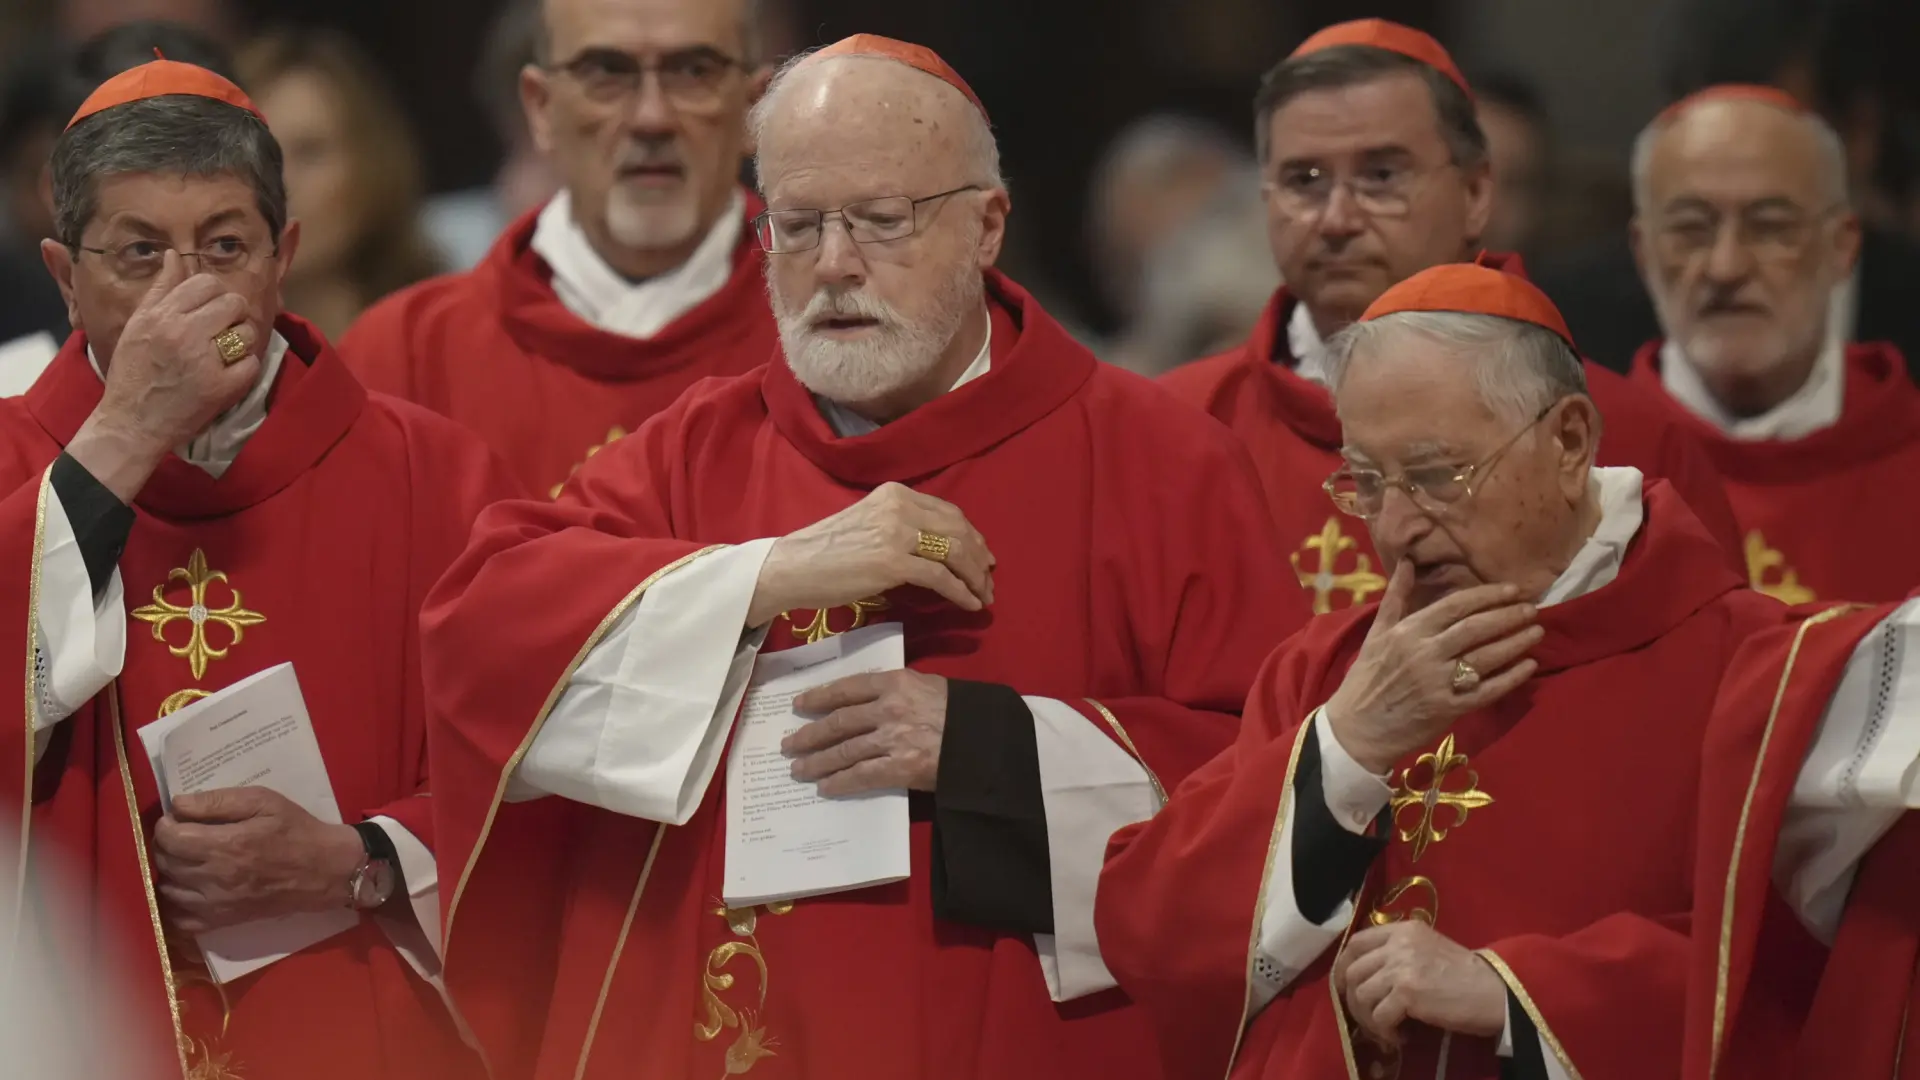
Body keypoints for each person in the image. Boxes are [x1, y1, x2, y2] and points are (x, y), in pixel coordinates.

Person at [420, 34, 1288, 1080]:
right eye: (796, 225)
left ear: (987, 227)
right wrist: (767, 575)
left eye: (882, 220)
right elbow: (478, 632)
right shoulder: (699, 449)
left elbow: (1265, 790)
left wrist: (988, 747)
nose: (833, 264)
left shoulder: (1161, 460)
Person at [1100, 262, 1783, 1080]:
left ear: (1568, 440)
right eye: (1366, 482)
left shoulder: (1743, 669)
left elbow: (1795, 980)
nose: (1396, 529)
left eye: (1434, 477)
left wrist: (1515, 995)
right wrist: (1349, 747)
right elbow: (1163, 946)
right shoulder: (1330, 674)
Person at [0, 58, 516, 1078]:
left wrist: (359, 858)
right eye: (138, 253)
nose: (184, 294)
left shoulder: (438, 477)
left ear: (283, 256)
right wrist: (128, 432)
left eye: (223, 247)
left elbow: (535, 780)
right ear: (64, 277)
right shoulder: (11, 462)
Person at [1158, 17, 1741, 627]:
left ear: (1476, 193)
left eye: (1381, 176)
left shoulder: (1623, 432)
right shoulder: (1180, 428)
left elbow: (1707, 683)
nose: (1335, 218)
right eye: (1304, 180)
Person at [341, 0, 779, 498]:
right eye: (607, 73)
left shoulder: (832, 331)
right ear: (541, 109)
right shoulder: (404, 358)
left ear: (753, 109)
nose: (652, 117)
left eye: (694, 71)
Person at [1627, 85, 1920, 605]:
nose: (1726, 267)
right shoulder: (1583, 466)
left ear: (1842, 247)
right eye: (1690, 229)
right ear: (1644, 251)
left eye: (1770, 228)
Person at [1533, 0, 1920, 376]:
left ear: (1859, 134)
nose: (1726, 267)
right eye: (1707, 135)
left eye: (1769, 221)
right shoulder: (1565, 331)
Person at [0, 21, 239, 387]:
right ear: (58, 194)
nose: (182, 276)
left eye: (224, 242)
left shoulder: (316, 380)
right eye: (143, 246)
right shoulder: (8, 389)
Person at [238, 29, 445, 341]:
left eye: (310, 152)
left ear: (370, 165)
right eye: (257, 154)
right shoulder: (216, 349)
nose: (279, 183)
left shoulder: (439, 335)